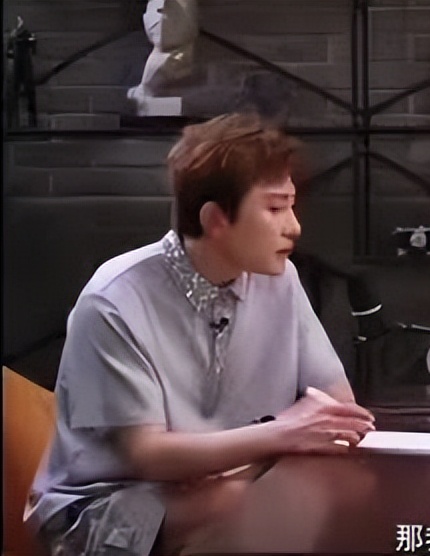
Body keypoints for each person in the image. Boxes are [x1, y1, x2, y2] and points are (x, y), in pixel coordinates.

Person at [25, 113, 376, 556]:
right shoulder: (114, 298)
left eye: (291, 206)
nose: (294, 227)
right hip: (105, 504)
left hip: (233, 479)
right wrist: (281, 434)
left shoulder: (279, 279)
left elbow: (336, 406)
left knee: (343, 486)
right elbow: (147, 456)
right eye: (274, 208)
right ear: (215, 219)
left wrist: (238, 458)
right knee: (238, 506)